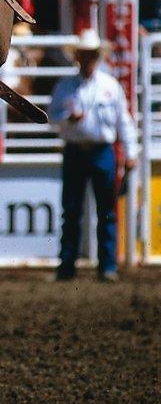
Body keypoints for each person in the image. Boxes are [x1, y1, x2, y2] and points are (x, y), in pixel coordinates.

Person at [49, 27, 137, 282]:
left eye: (92, 55)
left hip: (102, 152)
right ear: (78, 57)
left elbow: (124, 122)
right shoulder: (65, 87)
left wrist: (130, 153)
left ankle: (107, 265)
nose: (88, 60)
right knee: (72, 210)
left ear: (97, 57)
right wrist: (68, 120)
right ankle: (67, 266)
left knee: (106, 210)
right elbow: (52, 120)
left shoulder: (110, 87)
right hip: (76, 151)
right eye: (84, 55)